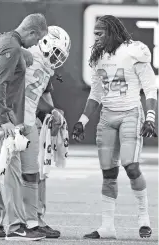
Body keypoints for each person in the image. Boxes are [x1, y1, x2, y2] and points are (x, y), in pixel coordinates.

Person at [72, 15, 157, 239]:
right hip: (107, 116)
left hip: (130, 112)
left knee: (130, 166)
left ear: (111, 31)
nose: (96, 38)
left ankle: (144, 219)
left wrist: (150, 117)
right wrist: (82, 121)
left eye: (100, 33)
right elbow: (96, 94)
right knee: (108, 173)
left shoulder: (134, 51)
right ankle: (108, 227)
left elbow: (149, 88)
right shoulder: (98, 57)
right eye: (95, 34)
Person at [0, 13, 48, 241]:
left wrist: (19, 53)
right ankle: (15, 227)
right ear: (31, 32)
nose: (36, 45)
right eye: (38, 39)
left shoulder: (2, 40)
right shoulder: (10, 47)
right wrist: (5, 119)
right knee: (10, 171)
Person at [20, 26, 70, 238]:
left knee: (39, 171)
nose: (58, 57)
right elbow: (26, 93)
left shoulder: (46, 66)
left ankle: (37, 218)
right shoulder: (28, 58)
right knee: (19, 172)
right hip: (20, 120)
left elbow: (45, 93)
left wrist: (52, 116)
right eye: (57, 51)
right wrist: (51, 111)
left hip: (34, 119)